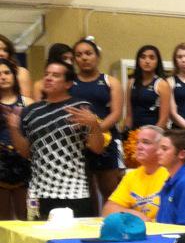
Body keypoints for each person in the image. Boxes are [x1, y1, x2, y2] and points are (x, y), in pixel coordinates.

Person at [5, 60, 105, 217]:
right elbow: (27, 153)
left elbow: (97, 148)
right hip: (40, 192)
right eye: (46, 74)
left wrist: (94, 125)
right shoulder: (31, 112)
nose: (49, 78)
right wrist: (13, 129)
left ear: (68, 83)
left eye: (56, 75)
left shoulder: (80, 107)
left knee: (73, 239)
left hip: (75, 191)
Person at [72, 37, 125, 204]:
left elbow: (116, 113)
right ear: (75, 59)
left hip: (106, 139)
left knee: (110, 189)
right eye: (79, 55)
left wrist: (96, 130)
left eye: (88, 53)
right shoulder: (69, 83)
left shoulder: (110, 82)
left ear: (97, 56)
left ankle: (113, 224)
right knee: (86, 193)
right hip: (77, 142)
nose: (84, 58)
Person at [101, 124, 167, 221]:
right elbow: (108, 210)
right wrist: (135, 215)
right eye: (137, 142)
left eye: (146, 142)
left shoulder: (170, 175)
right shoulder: (131, 176)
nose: (139, 147)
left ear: (161, 148)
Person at [0, 57, 34, 220]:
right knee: (3, 220)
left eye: (7, 73)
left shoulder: (27, 103)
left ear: (14, 76)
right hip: (0, 163)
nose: (3, 77)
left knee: (26, 217)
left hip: (24, 160)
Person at [125, 45, 170, 131]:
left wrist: (152, 137)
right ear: (138, 61)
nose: (147, 61)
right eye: (143, 57)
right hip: (133, 133)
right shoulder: (131, 82)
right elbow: (129, 115)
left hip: (154, 133)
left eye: (152, 58)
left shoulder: (162, 84)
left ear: (157, 62)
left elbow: (164, 119)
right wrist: (125, 133)